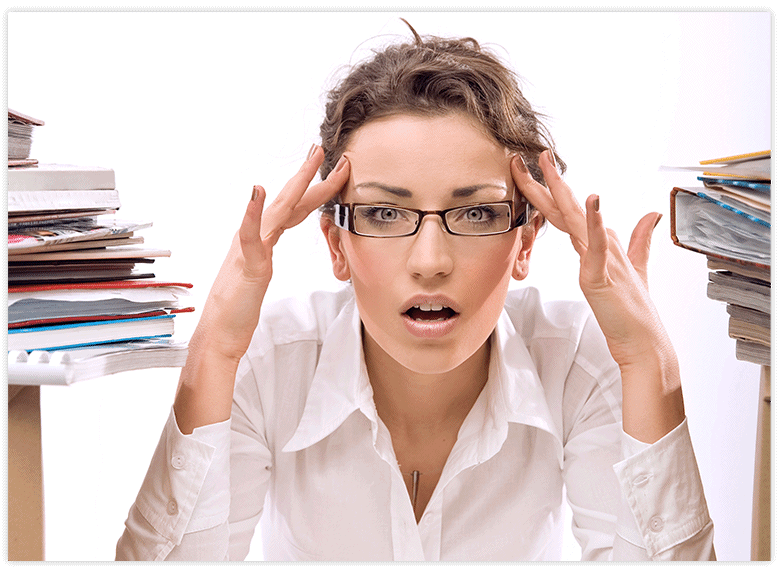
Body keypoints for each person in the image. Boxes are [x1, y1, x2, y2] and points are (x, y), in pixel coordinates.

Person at [116, 25, 715, 561]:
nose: (430, 262)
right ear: (336, 244)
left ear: (526, 242)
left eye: (477, 214)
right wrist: (215, 349)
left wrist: (649, 364)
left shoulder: (578, 361)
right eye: (383, 213)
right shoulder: (269, 359)